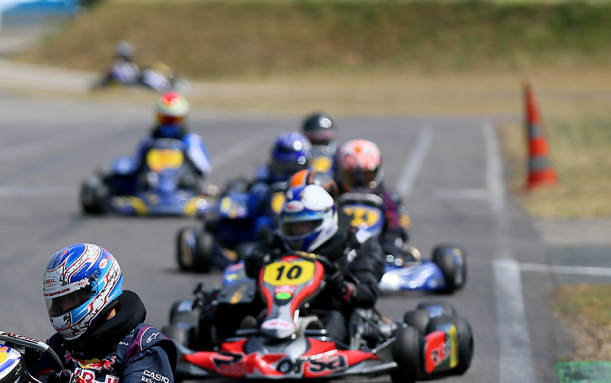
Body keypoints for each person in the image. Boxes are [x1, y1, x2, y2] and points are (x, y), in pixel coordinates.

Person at [0, 244, 177, 383]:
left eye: (71, 298)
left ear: (98, 289)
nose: (63, 306)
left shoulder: (145, 343)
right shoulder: (59, 344)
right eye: (58, 301)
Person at [245, 184, 384, 345]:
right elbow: (251, 262)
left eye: (305, 224)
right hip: (277, 312)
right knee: (248, 312)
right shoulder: (279, 241)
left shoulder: (358, 244)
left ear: (325, 219)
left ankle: (321, 347)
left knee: (335, 320)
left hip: (329, 312)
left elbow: (367, 294)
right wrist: (262, 261)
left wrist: (341, 286)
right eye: (293, 226)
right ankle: (246, 341)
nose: (297, 232)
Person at [335, 139, 412, 257]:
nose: (360, 182)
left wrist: (389, 244)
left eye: (366, 175)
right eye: (352, 176)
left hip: (380, 249)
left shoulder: (389, 197)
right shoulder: (334, 194)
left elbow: (400, 227)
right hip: (341, 248)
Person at [135, 92, 211, 178]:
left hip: (181, 187)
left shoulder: (191, 141)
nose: (169, 123)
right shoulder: (148, 141)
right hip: (152, 187)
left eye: (173, 119)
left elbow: (204, 169)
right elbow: (136, 166)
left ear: (182, 119)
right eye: (165, 119)